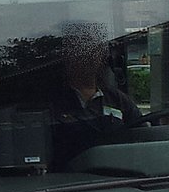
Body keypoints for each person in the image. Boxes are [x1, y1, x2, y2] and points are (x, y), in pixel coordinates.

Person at [51, 22, 141, 167]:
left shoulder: (118, 100)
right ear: (66, 55)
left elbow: (142, 135)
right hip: (65, 182)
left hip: (119, 178)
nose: (88, 56)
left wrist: (164, 125)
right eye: (81, 49)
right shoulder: (51, 102)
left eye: (94, 49)